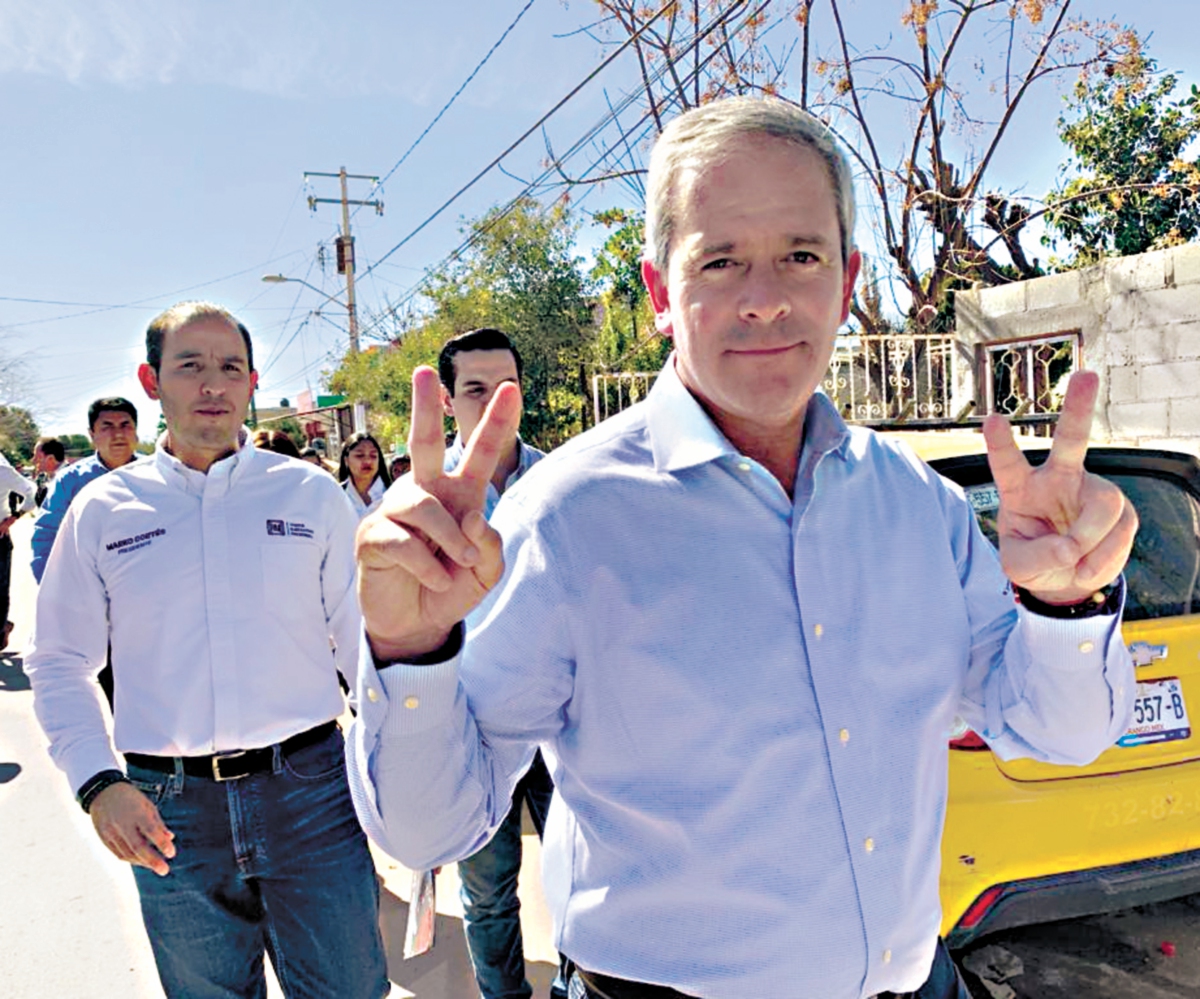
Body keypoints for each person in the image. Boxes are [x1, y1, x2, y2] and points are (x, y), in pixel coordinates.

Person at [348, 97, 1138, 999]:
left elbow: (1056, 731)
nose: (765, 299)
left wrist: (1063, 608)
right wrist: (410, 652)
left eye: (800, 256)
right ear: (659, 294)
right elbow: (430, 828)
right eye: (720, 261)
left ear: (846, 279)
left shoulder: (919, 505)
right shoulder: (567, 517)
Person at [26, 301, 389, 999]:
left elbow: (363, 645)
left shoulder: (309, 495)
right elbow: (59, 659)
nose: (212, 384)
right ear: (152, 380)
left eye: (230, 367)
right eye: (190, 366)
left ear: (253, 382)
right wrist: (99, 783)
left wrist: (403, 766)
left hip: (310, 792)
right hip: (167, 812)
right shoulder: (104, 511)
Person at [437, 328, 563, 999]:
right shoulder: (427, 497)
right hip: (473, 728)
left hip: (562, 720)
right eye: (474, 389)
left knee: (583, 874)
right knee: (488, 894)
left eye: (503, 387)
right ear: (450, 400)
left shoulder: (563, 480)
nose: (491, 403)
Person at [30, 397, 140, 585]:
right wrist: (53, 590)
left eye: (125, 425)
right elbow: (47, 535)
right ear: (92, 434)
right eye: (107, 427)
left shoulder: (159, 474)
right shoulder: (70, 481)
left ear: (135, 432)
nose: (118, 434)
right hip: (90, 587)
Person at [0, 451, 35, 650]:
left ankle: (1, 630)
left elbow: (31, 491)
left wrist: (14, 517)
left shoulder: (3, 470)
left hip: (0, 538)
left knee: (0, 591)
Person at [338, 431, 391, 519]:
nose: (367, 461)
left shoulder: (394, 494)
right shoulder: (336, 495)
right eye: (360, 455)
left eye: (373, 455)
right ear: (346, 460)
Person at [32, 437, 65, 507]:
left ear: (50, 458)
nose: (33, 461)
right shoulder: (42, 479)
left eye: (37, 457)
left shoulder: (71, 480)